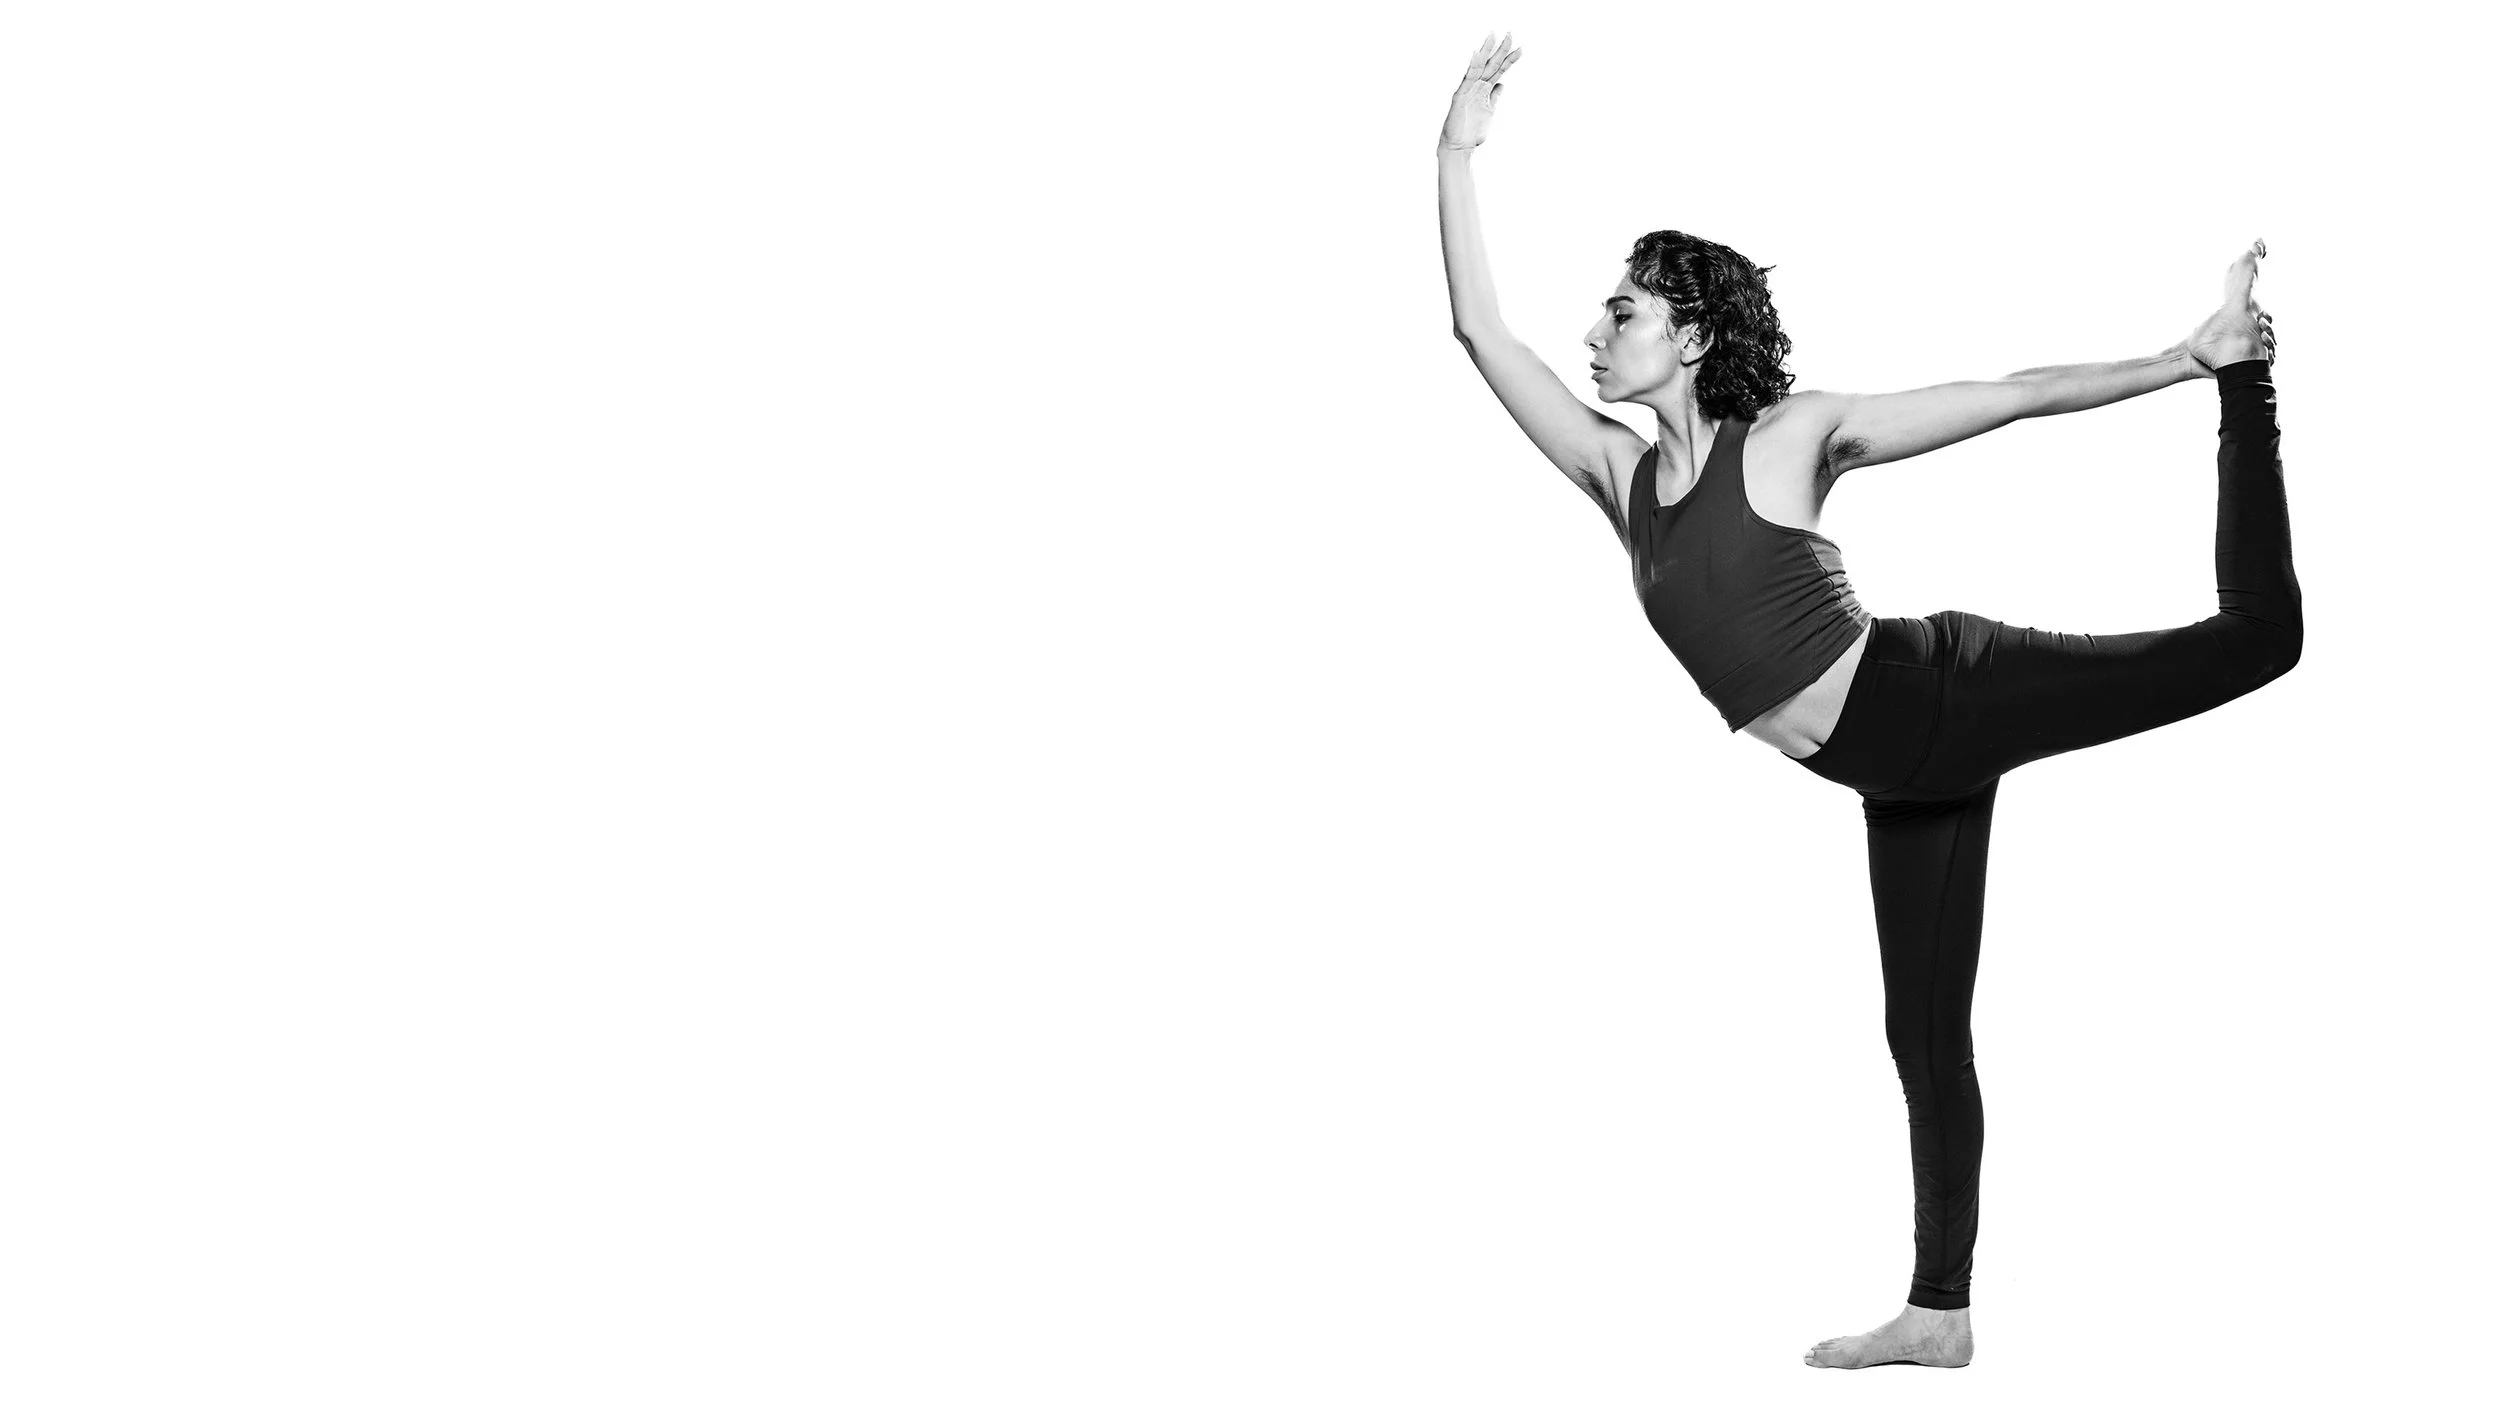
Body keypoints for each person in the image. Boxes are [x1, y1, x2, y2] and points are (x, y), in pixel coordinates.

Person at [1435, 34, 2300, 1370]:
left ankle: (2257, 381)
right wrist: (1458, 154)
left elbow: (2009, 396)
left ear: (1693, 334)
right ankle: (1940, 1313)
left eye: (1625, 313)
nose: (1597, 332)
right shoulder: (1619, 482)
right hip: (1897, 774)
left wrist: (2195, 359)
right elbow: (1478, 332)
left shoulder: (1789, 438)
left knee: (2258, 641)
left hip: (1952, 689)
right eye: (1605, 313)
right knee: (1921, 1030)